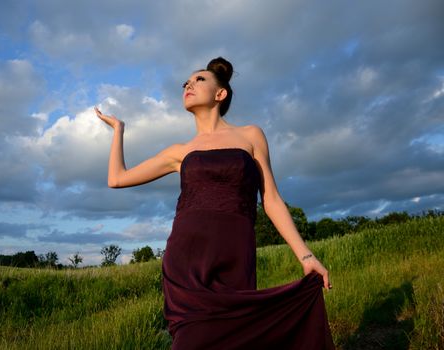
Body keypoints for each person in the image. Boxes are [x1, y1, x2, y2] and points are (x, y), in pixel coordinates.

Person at [95, 57, 335, 349]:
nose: (188, 85)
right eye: (186, 82)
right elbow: (117, 179)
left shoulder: (250, 135)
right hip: (186, 260)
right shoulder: (180, 151)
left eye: (199, 80)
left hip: (234, 253)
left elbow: (270, 199)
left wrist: (306, 257)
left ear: (220, 94)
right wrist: (118, 130)